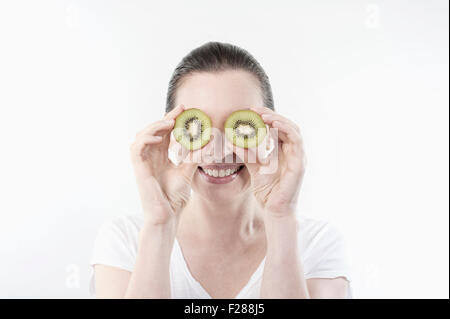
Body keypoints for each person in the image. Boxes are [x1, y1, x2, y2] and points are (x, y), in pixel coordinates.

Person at [90, 42, 351, 298]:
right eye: (199, 127)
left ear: (271, 134)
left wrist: (280, 219)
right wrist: (160, 224)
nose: (218, 151)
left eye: (237, 128)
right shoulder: (125, 241)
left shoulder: (316, 244)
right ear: (170, 134)